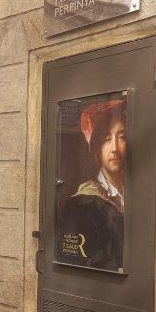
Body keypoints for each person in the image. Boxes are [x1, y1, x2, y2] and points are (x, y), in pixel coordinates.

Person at [59, 99, 126, 271]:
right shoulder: (80, 205)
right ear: (97, 148)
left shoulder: (139, 193)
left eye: (122, 137)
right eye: (106, 139)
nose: (114, 148)